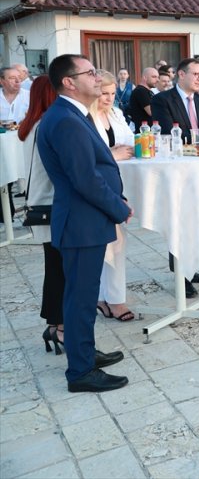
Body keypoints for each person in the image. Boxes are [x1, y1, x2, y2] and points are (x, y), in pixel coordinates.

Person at [36, 54, 132, 392]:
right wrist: (118, 208)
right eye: (89, 73)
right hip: (81, 221)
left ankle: (85, 353)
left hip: (85, 219)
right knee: (80, 297)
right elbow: (85, 179)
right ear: (69, 82)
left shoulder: (74, 114)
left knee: (82, 293)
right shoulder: (65, 120)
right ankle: (80, 372)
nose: (97, 78)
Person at [151, 58, 199, 297]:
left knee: (197, 217)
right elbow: (170, 133)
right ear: (181, 75)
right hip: (176, 171)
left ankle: (191, 265)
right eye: (197, 74)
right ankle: (181, 273)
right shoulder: (161, 100)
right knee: (179, 220)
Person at [18, 77, 68, 361]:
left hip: (40, 202)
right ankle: (59, 327)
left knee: (55, 267)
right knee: (59, 269)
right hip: (50, 204)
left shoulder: (31, 124)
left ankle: (53, 325)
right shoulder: (47, 125)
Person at [90, 71, 136, 322]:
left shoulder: (117, 114)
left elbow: (129, 141)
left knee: (117, 241)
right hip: (98, 184)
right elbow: (86, 154)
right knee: (106, 242)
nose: (108, 98)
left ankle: (112, 297)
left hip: (121, 182)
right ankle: (108, 299)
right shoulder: (85, 116)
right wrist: (112, 154)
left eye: (111, 93)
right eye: (103, 93)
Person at [128, 67, 158, 131]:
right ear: (145, 78)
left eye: (157, 77)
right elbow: (151, 112)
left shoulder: (149, 91)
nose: (157, 80)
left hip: (149, 131)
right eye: (154, 77)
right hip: (143, 133)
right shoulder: (141, 91)